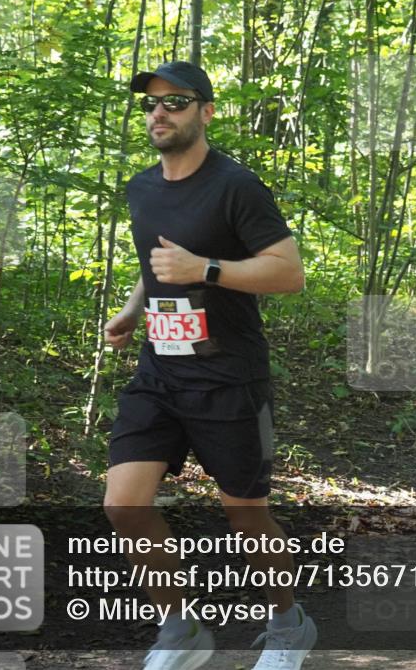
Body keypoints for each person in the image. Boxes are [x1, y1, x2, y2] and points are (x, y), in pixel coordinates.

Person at [102, 61, 316, 670]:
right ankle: (182, 629)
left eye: (175, 102)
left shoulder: (236, 186)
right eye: (150, 105)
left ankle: (287, 622)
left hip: (229, 377)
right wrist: (131, 310)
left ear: (206, 111)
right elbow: (156, 266)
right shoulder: (142, 188)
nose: (159, 113)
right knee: (124, 504)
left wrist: (208, 269)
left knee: (245, 514)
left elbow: (289, 272)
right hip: (160, 371)